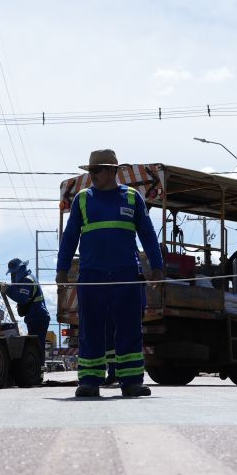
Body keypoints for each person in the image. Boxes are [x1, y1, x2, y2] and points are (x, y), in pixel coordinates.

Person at [57, 149, 163, 399]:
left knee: (129, 328)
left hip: (125, 275)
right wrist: (62, 269)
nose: (92, 175)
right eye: (90, 170)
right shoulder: (83, 199)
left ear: (112, 170)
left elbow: (147, 233)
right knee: (90, 328)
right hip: (91, 276)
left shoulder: (132, 198)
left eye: (97, 170)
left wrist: (157, 267)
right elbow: (70, 236)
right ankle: (90, 381)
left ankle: (132, 382)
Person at [5, 258, 52, 342]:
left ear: (20, 270)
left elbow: (22, 298)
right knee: (35, 346)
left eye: (13, 273)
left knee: (36, 347)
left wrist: (7, 290)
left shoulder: (28, 280)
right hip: (35, 317)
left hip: (37, 317)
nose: (13, 276)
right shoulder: (27, 279)